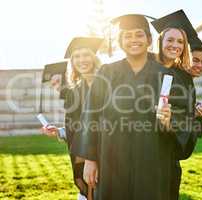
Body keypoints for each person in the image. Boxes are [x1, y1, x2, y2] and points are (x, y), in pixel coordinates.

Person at [75, 14, 188, 200]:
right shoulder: (106, 73)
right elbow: (90, 116)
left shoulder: (167, 76)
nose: (133, 40)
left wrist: (170, 121)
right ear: (120, 41)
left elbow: (183, 118)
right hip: (111, 161)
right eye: (127, 36)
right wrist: (89, 159)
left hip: (153, 160)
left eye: (139, 35)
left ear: (149, 40)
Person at [151, 9, 202, 199]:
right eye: (170, 40)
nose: (175, 45)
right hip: (143, 149)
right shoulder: (145, 69)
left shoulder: (184, 77)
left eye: (180, 41)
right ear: (160, 41)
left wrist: (198, 114)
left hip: (169, 154)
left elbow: (187, 115)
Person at [41, 37, 103, 200]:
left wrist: (92, 156)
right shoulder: (74, 90)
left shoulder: (106, 84)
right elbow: (76, 125)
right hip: (81, 154)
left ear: (94, 58)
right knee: (87, 191)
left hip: (105, 152)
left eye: (86, 55)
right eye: (76, 56)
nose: (81, 60)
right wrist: (60, 131)